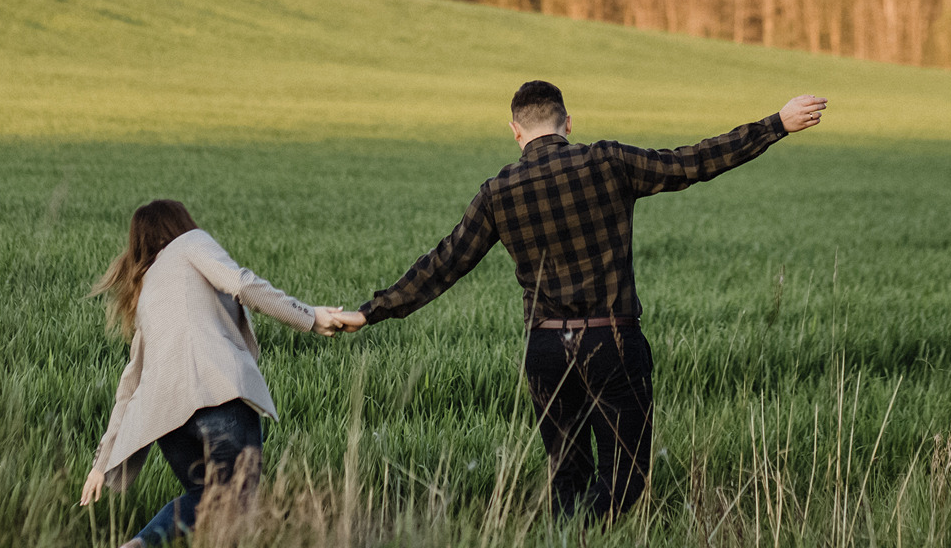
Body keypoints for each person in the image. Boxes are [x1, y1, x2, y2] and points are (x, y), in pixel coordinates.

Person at [334, 80, 825, 520]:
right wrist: (775, 124)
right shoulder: (606, 162)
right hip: (611, 342)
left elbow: (443, 264)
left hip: (545, 352)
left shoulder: (497, 192)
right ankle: (582, 532)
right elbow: (691, 162)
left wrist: (371, 311)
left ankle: (565, 533)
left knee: (565, 480)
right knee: (624, 482)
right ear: (567, 123)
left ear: (515, 130)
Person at [78, 198, 350, 544]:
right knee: (237, 501)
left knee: (206, 497)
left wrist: (101, 464)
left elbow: (130, 383)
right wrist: (310, 317)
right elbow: (242, 284)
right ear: (178, 224)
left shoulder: (147, 287)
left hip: (168, 420)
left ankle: (139, 544)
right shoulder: (191, 242)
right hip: (217, 394)